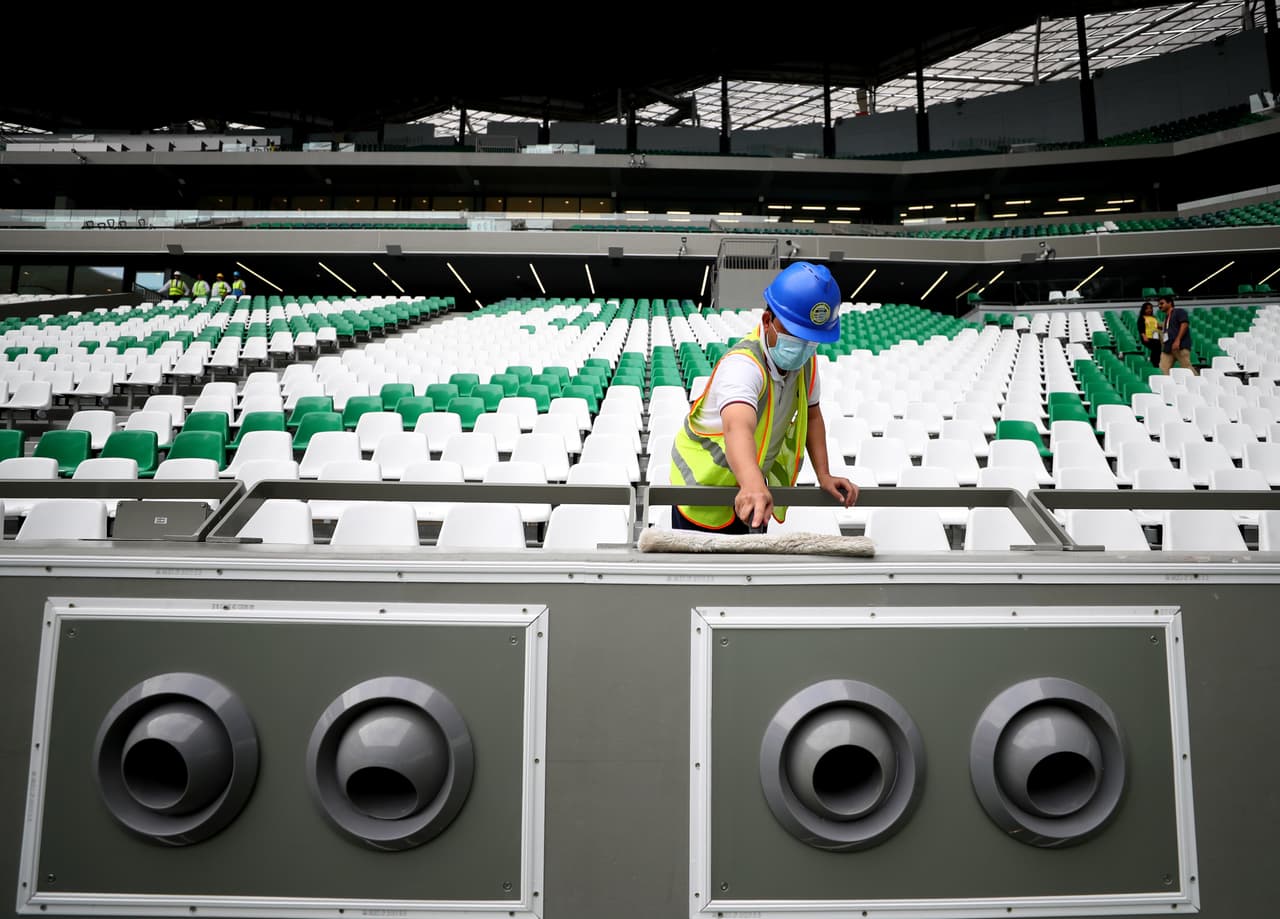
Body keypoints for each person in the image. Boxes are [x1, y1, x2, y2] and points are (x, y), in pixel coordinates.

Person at [670, 261, 858, 533]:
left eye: (812, 339)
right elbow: (738, 426)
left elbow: (813, 415)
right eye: (796, 335)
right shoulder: (743, 366)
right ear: (768, 321)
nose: (804, 347)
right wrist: (752, 483)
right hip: (702, 490)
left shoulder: (806, 364)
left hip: (752, 489)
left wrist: (824, 475)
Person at [1158, 294, 1194, 374]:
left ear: (1170, 303)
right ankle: (1164, 385)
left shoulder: (1179, 311)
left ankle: (1198, 383)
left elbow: (1184, 324)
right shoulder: (1166, 317)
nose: (1159, 306)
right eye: (1159, 304)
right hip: (1168, 347)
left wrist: (1177, 340)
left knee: (1187, 368)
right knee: (1163, 369)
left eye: (1162, 303)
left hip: (1180, 346)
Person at [1137, 301, 1160, 367]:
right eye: (1147, 308)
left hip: (1155, 337)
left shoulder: (1154, 317)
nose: (1149, 310)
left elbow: (1156, 326)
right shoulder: (1142, 318)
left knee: (1158, 348)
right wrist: (1144, 336)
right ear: (1144, 309)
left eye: (1151, 308)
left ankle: (1156, 362)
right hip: (1147, 336)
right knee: (1155, 348)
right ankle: (1154, 363)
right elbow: (1140, 327)